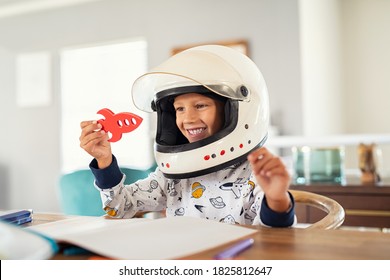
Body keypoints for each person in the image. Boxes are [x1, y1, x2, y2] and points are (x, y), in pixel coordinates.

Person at [79, 45, 295, 227]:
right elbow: (120, 208)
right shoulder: (173, 176)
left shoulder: (256, 176)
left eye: (200, 105)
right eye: (179, 109)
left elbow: (276, 241)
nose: (188, 118)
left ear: (235, 110)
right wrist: (105, 161)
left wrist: (276, 199)